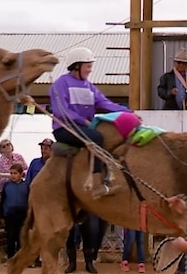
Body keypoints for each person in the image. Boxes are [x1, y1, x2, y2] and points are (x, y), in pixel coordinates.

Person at [49, 47, 133, 198]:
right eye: (88, 66)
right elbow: (61, 112)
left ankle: (108, 177)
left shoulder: (89, 86)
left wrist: (129, 113)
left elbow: (105, 103)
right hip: (64, 129)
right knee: (97, 138)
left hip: (82, 128)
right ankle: (96, 184)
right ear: (77, 65)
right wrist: (84, 121)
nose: (90, 70)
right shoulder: (60, 84)